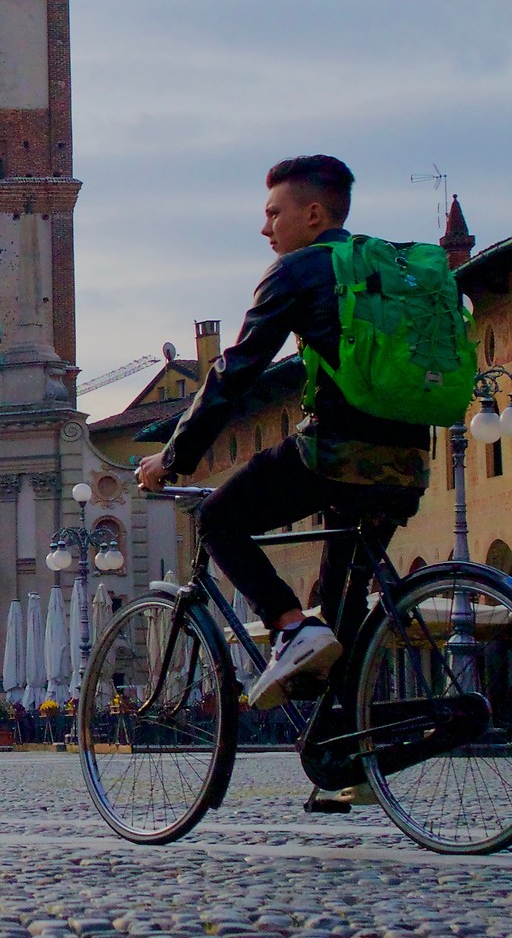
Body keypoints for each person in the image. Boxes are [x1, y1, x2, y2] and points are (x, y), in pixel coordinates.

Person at [135, 157, 430, 804]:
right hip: (408, 463)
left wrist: (174, 458)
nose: (265, 227)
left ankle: (289, 627)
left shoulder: (297, 271)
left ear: (313, 214)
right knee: (342, 607)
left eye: (274, 213)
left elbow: (236, 371)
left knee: (219, 519)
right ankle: (347, 760)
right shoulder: (386, 267)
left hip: (338, 453)